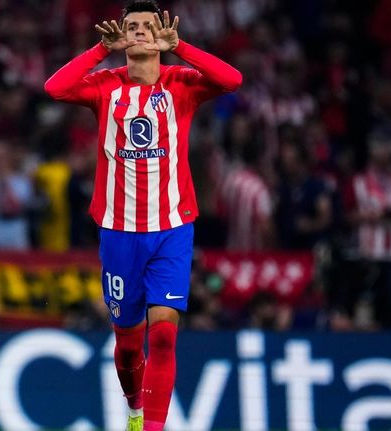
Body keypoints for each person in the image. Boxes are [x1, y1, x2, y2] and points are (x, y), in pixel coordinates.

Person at [44, 1, 242, 430]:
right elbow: (54, 89)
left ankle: (151, 427)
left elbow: (232, 79)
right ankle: (134, 408)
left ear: (160, 36)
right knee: (129, 346)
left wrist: (182, 47)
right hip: (119, 233)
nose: (138, 33)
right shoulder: (105, 85)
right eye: (130, 26)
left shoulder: (181, 83)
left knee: (166, 335)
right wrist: (100, 50)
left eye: (147, 27)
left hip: (172, 228)